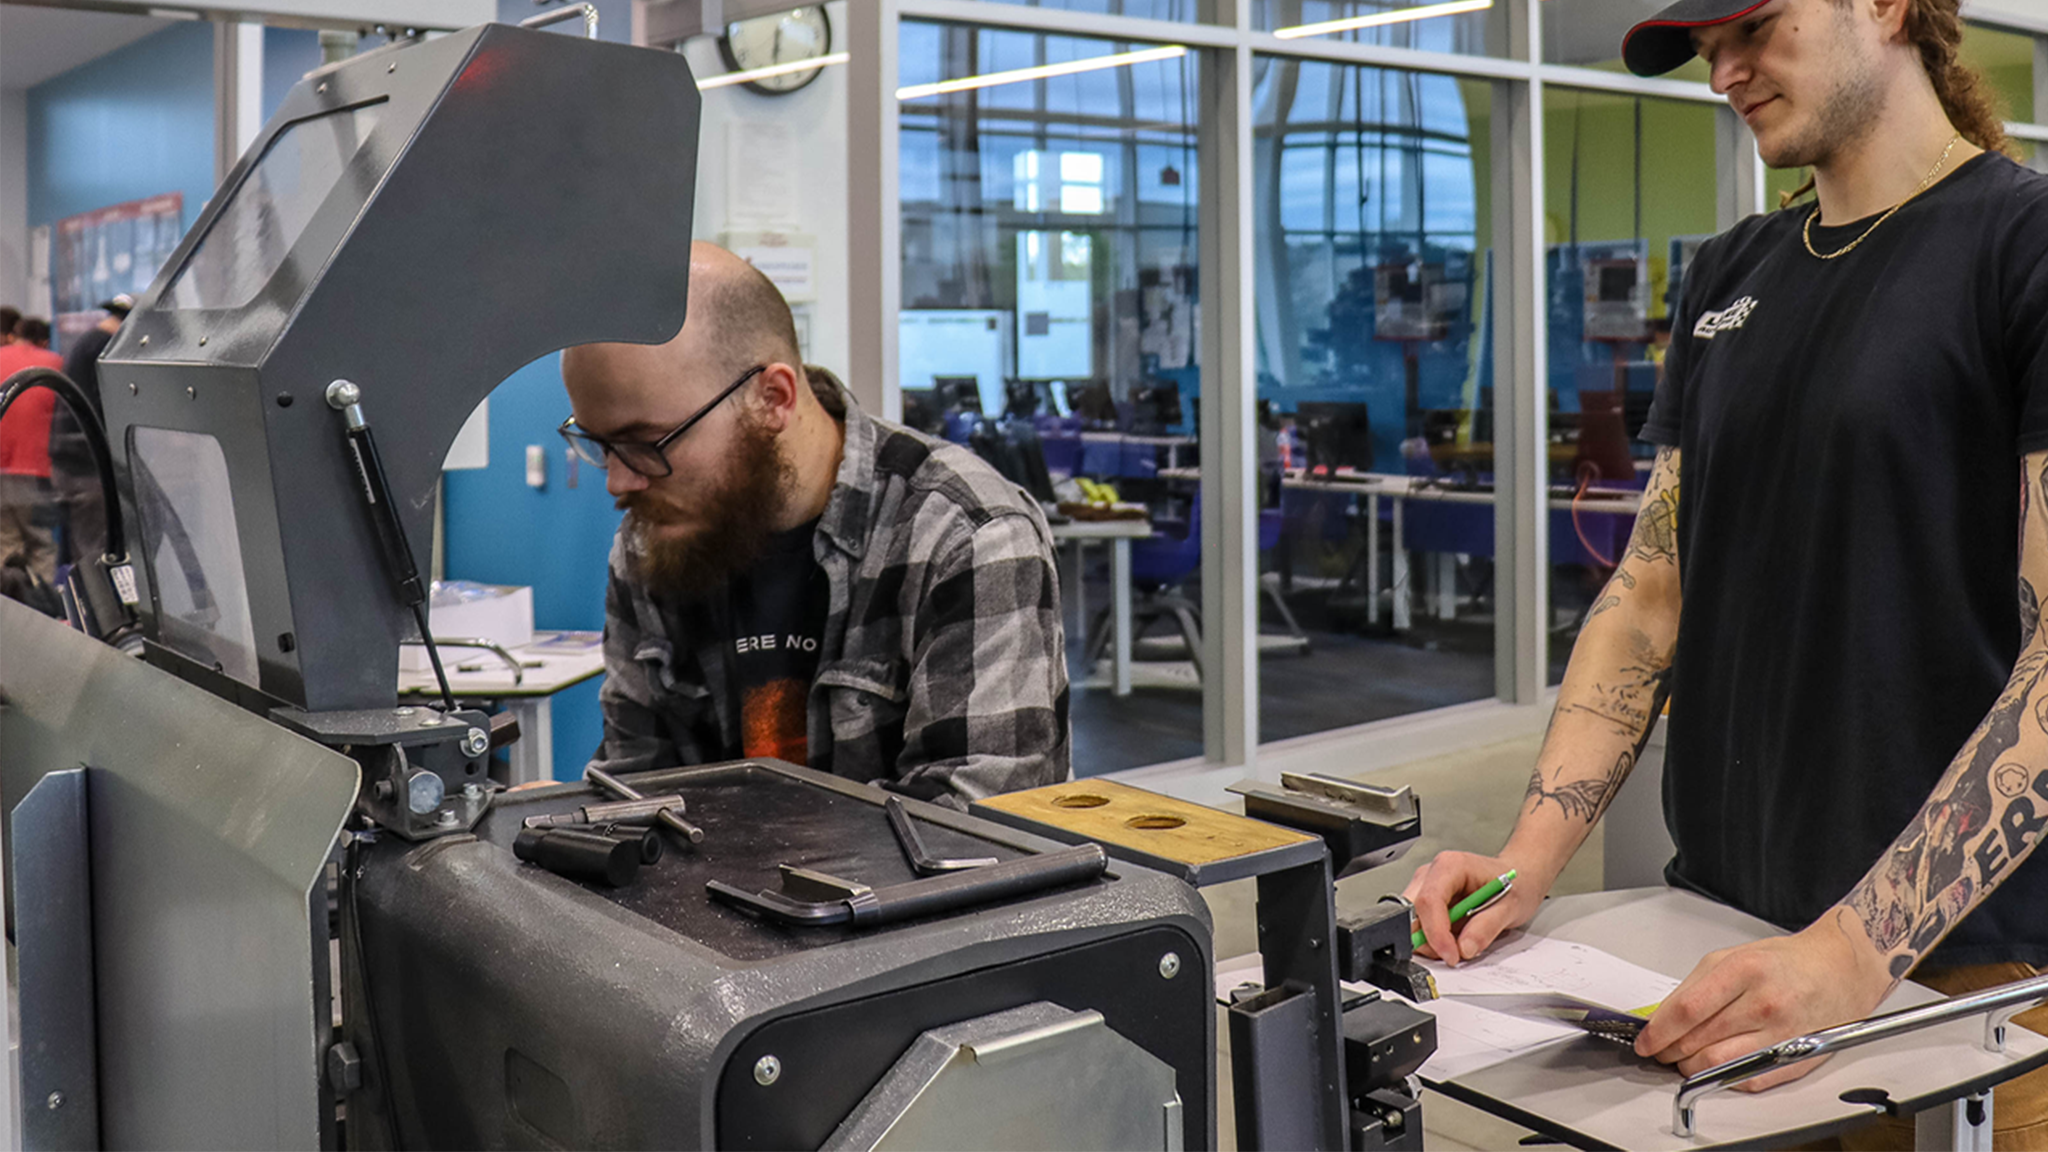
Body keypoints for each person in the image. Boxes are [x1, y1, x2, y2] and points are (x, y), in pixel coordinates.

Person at [1402, 0, 2048, 1145]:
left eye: (1751, 29)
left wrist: (1853, 954)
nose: (1724, 74)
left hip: (1967, 975)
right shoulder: (1729, 272)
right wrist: (1523, 861)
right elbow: (1651, 592)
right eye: (1705, 51)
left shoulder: (2022, 246)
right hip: (1720, 938)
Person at [563, 243, 1070, 806]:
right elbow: (634, 791)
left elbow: (970, 830)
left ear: (772, 399)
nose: (618, 481)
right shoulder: (652, 541)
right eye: (599, 444)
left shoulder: (966, 534)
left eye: (643, 443)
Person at [49, 295, 130, 565]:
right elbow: (107, 407)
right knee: (94, 553)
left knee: (77, 548)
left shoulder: (87, 342)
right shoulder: (104, 348)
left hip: (69, 464)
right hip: (87, 468)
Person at [0, 317, 66, 583]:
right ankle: (42, 610)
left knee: (5, 545)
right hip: (36, 472)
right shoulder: (54, 364)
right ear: (44, 341)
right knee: (41, 546)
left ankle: (7, 614)